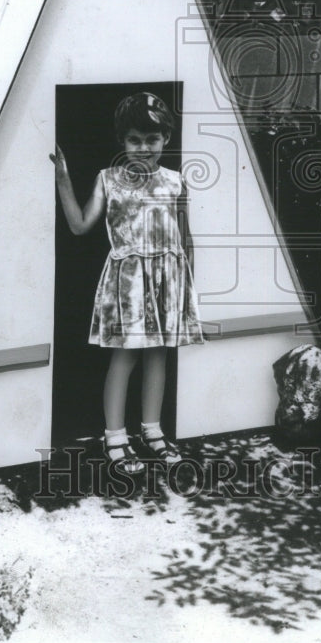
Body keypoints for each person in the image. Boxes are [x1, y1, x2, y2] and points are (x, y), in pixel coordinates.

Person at [50, 91, 204, 475]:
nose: (144, 148)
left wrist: (187, 288)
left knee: (159, 355)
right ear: (122, 141)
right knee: (126, 356)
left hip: (169, 279)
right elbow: (79, 225)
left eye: (152, 139)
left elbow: (185, 238)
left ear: (166, 138)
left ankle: (153, 431)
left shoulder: (175, 182)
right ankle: (114, 436)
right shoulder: (109, 179)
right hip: (130, 281)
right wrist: (63, 180)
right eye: (135, 139)